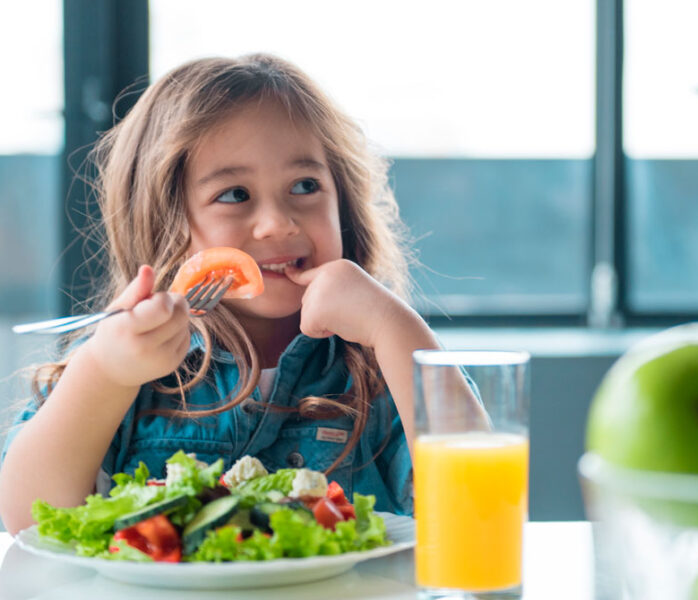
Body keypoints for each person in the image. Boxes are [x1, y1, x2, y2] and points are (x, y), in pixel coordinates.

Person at [0, 54, 468, 534]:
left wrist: (396, 329)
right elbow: (29, 519)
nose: (278, 223)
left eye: (305, 186)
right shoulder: (121, 358)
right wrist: (103, 372)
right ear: (166, 224)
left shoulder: (378, 363)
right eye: (234, 195)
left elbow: (475, 507)